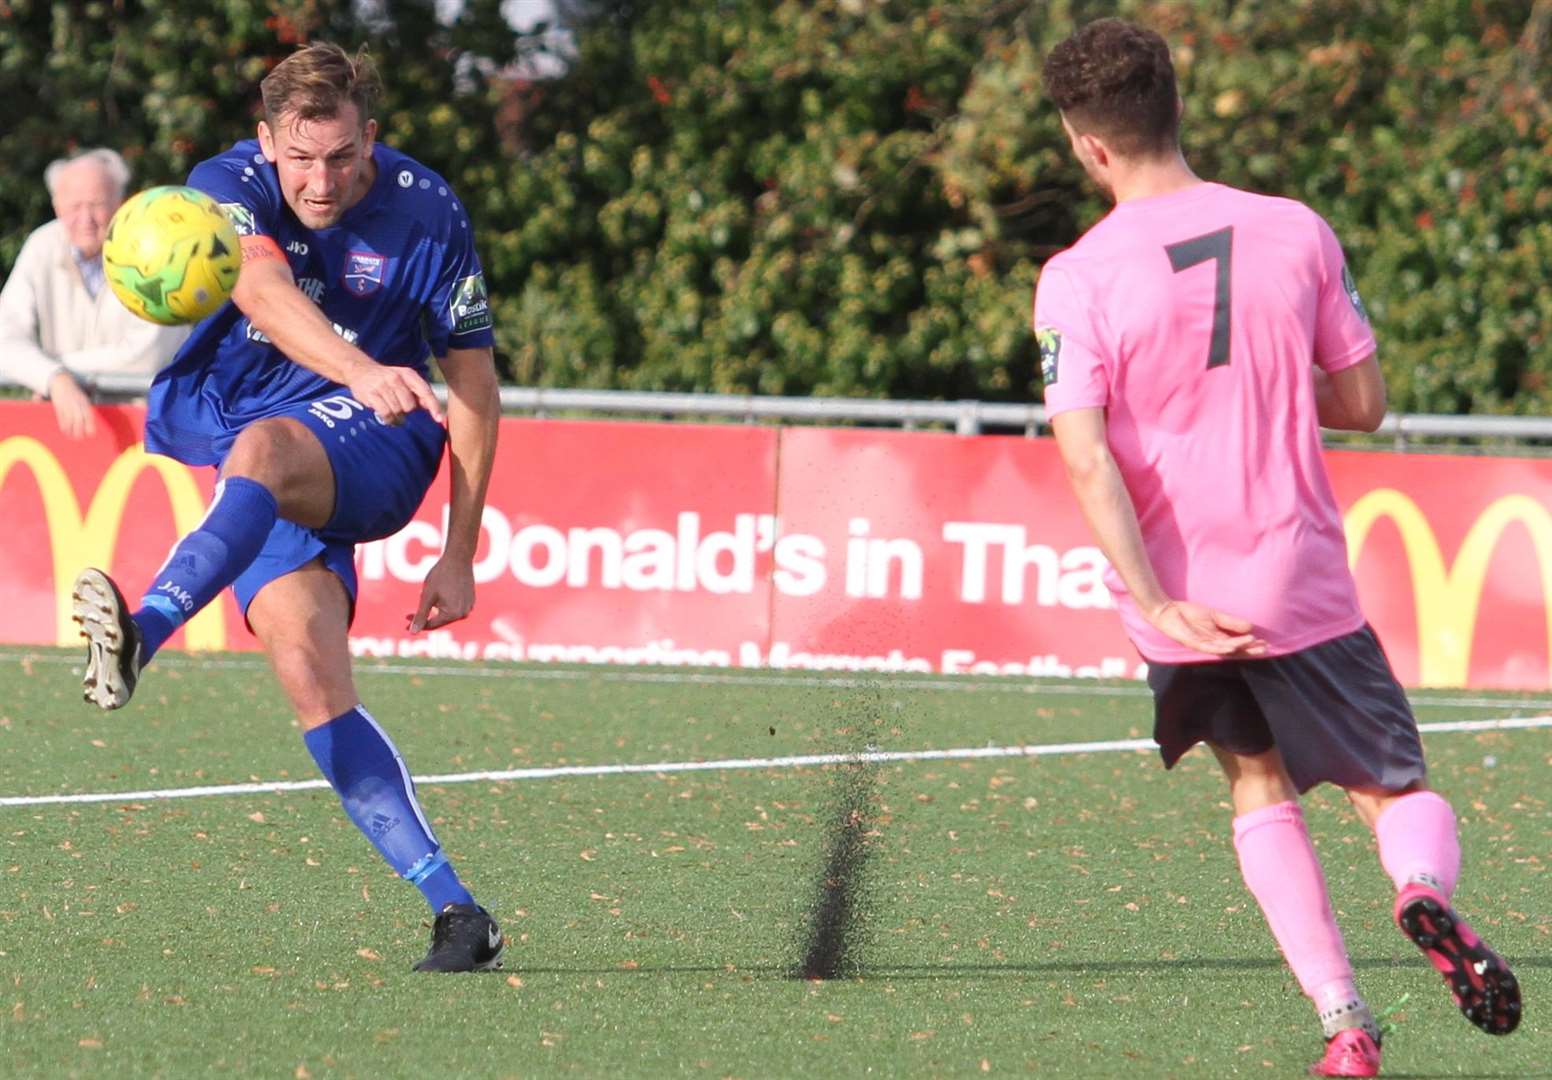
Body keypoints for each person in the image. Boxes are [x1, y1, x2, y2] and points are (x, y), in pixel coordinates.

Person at [1036, 19, 1520, 1078]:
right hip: (1296, 578)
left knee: (1255, 787)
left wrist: (1160, 603)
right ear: (1175, 107)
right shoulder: (1294, 229)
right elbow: (1365, 405)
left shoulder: (1074, 278)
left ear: (1088, 146)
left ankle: (1345, 1025)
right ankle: (1422, 893)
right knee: (1388, 787)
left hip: (1185, 598)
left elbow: (1084, 459)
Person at [68, 42, 505, 973]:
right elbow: (260, 290)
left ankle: (141, 631)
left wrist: (459, 551)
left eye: (342, 155)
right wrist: (357, 365)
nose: (320, 179)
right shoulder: (225, 184)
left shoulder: (429, 213)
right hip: (273, 456)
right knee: (311, 677)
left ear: (370, 137)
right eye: (300, 157)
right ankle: (458, 912)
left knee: (261, 445)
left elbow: (472, 385)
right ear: (266, 141)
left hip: (380, 440)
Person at [0, 148, 188, 438]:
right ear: (56, 205)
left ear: (120, 203)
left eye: (96, 204)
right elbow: (5, 337)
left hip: (150, 430)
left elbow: (147, 355)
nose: (85, 218)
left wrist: (56, 372)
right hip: (67, 431)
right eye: (74, 206)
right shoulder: (42, 246)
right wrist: (53, 379)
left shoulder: (154, 251)